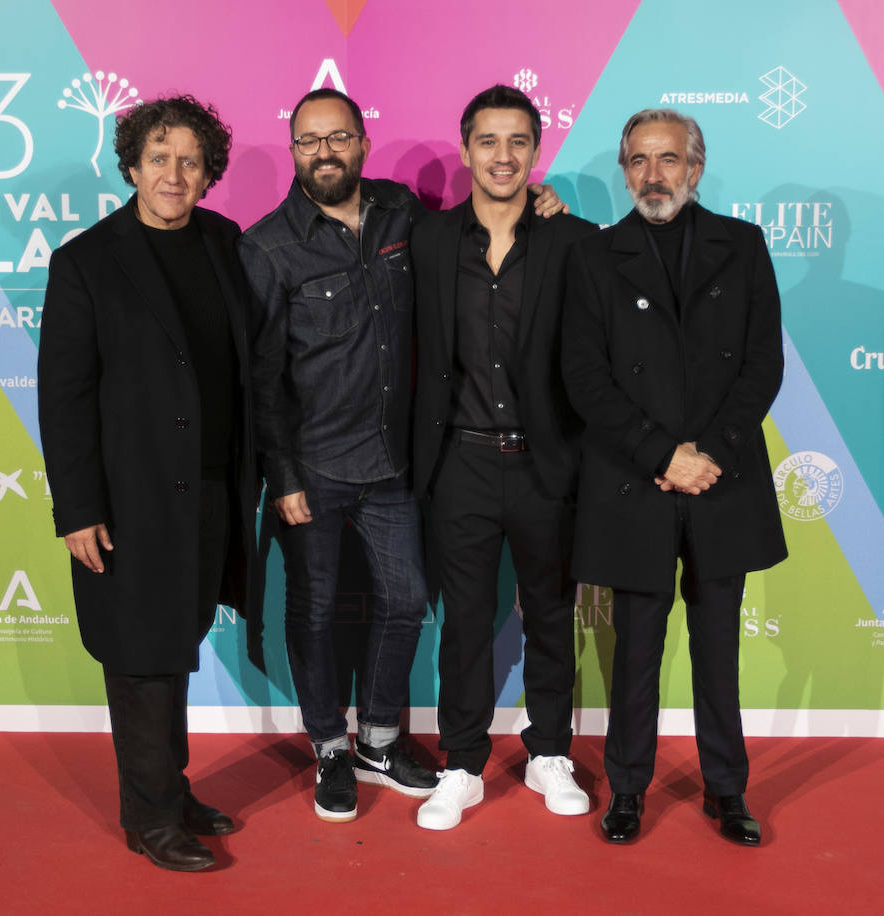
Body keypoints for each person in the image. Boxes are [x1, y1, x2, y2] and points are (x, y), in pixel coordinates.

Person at [239, 88, 566, 824]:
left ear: (361, 141)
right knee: (316, 610)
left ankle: (380, 739)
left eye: (340, 137)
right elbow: (260, 378)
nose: (325, 151)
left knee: (408, 601)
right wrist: (282, 476)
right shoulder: (265, 246)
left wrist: (541, 206)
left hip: (396, 464)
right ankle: (329, 745)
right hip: (313, 469)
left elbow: (488, 221)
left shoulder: (403, 216)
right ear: (294, 152)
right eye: (309, 141)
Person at [38, 95, 256, 871]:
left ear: (208, 174)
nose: (174, 173)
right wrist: (79, 508)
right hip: (127, 501)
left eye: (190, 160)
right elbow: (62, 397)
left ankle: (172, 787)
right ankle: (151, 818)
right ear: (131, 165)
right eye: (159, 157)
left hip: (210, 492)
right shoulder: (86, 262)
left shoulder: (226, 243)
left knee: (177, 643)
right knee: (138, 654)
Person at [561, 108, 788, 846]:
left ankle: (727, 789)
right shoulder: (596, 256)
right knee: (635, 651)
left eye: (668, 160)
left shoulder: (744, 246)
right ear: (623, 170)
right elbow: (585, 377)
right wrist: (664, 456)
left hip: (722, 481)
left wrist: (705, 455)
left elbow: (762, 365)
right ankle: (626, 789)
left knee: (719, 651)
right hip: (637, 482)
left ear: (696, 167)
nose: (652, 176)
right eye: (637, 161)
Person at [409, 85, 596, 831]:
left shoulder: (575, 241)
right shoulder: (427, 240)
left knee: (551, 613)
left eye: (518, 141)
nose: (503, 156)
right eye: (488, 141)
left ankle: (550, 750)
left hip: (548, 463)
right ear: (465, 150)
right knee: (464, 622)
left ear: (536, 153)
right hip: (460, 463)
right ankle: (461, 764)